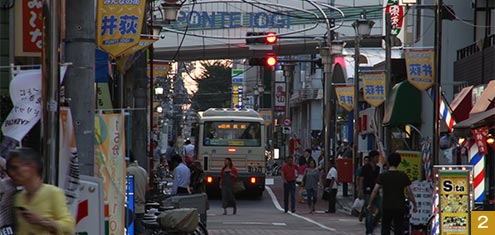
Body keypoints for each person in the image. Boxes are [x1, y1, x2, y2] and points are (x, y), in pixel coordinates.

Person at [6, 147, 75, 235]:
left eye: (15, 168)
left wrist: (41, 221)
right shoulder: (19, 198)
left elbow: (69, 226)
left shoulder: (53, 193)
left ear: (32, 167)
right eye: (10, 170)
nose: (12, 173)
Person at [368, 152, 417, 235]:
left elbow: (375, 190)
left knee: (385, 227)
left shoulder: (383, 175)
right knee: (399, 227)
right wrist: (414, 204)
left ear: (388, 162)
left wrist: (370, 203)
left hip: (386, 206)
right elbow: (409, 192)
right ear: (399, 162)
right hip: (399, 206)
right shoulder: (403, 176)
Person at [358, 150, 381, 235]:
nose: (378, 158)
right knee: (369, 211)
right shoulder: (365, 167)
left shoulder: (378, 168)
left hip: (376, 191)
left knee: (381, 208)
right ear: (372, 158)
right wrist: (360, 190)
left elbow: (378, 179)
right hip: (367, 192)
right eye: (376, 157)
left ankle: (373, 224)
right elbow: (361, 179)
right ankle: (369, 230)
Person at [126, 152, 149, 235]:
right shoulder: (143, 171)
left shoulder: (126, 171)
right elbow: (147, 188)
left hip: (129, 209)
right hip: (141, 208)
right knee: (140, 232)